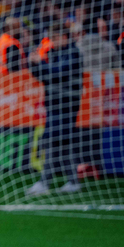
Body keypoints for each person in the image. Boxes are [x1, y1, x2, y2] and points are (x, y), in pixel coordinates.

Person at [26, 22, 83, 195]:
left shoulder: (73, 54)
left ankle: (45, 183)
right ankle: (73, 181)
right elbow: (43, 76)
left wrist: (41, 62)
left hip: (66, 104)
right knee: (63, 143)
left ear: (64, 37)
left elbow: (57, 73)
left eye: (55, 38)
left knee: (49, 140)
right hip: (54, 103)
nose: (53, 42)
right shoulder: (55, 54)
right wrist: (33, 63)